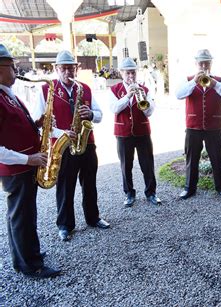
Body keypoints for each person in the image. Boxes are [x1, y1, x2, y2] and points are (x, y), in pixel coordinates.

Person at [32, 50, 110, 242]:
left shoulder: (85, 88)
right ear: (56, 69)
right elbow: (40, 123)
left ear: (76, 69)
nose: (68, 72)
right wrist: (62, 133)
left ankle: (93, 218)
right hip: (63, 146)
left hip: (87, 143)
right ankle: (65, 225)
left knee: (89, 183)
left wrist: (90, 114)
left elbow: (99, 114)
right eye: (64, 68)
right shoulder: (46, 90)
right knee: (65, 187)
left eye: (71, 68)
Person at [0, 43, 60, 278]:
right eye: (11, 66)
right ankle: (31, 265)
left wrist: (37, 124)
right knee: (22, 216)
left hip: (22, 167)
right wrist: (29, 159)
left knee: (21, 214)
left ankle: (24, 255)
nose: (16, 70)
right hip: (17, 169)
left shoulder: (7, 94)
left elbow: (12, 128)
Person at [175, 49, 221, 200]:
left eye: (206, 63)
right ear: (196, 64)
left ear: (211, 64)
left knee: (217, 158)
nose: (203, 66)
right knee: (191, 158)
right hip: (193, 126)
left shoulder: (220, 80)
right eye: (200, 63)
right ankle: (190, 188)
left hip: (214, 127)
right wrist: (194, 81)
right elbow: (178, 94)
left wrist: (214, 83)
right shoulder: (188, 80)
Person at [109, 57, 161, 207]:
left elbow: (150, 112)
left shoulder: (145, 90)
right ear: (121, 73)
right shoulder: (114, 90)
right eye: (127, 73)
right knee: (126, 165)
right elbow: (114, 108)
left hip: (143, 131)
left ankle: (151, 193)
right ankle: (129, 194)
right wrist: (127, 96)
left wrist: (144, 104)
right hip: (123, 132)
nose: (131, 76)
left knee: (147, 164)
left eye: (133, 73)